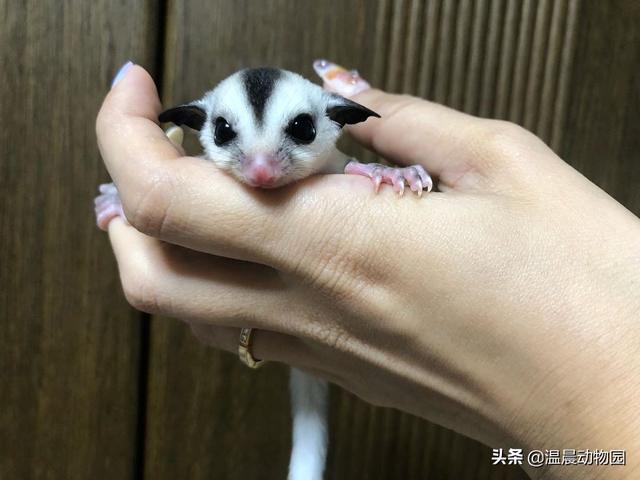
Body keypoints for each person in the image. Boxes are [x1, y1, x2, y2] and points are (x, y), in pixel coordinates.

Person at [96, 60, 640, 479]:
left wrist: (390, 174)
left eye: (299, 131)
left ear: (338, 120)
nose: (261, 168)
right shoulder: (212, 175)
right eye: (229, 137)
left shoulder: (345, 167)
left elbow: (350, 179)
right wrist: (133, 205)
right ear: (199, 125)